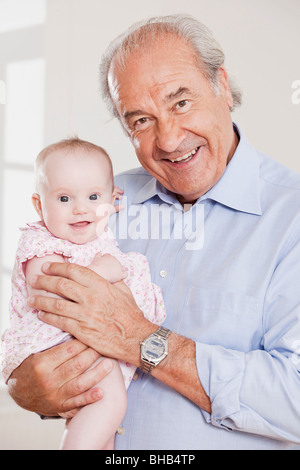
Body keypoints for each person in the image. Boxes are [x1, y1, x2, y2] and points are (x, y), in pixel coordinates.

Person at [6, 15, 300, 450]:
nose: (168, 138)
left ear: (221, 85)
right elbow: (36, 327)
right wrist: (24, 387)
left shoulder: (290, 218)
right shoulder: (99, 205)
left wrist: (143, 341)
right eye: (141, 120)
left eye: (180, 103)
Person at [1, 138, 165, 450]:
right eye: (64, 198)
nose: (80, 209)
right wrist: (103, 271)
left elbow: (103, 208)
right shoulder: (40, 243)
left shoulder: (95, 226)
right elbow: (48, 288)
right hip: (57, 339)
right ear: (39, 204)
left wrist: (105, 205)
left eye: (92, 196)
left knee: (103, 424)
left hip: (89, 336)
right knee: (109, 402)